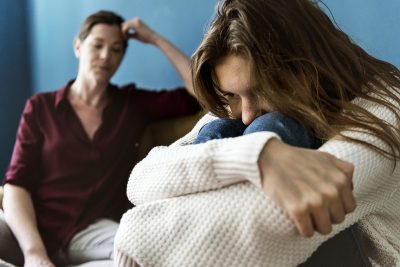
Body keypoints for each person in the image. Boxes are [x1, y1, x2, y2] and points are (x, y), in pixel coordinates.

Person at [113, 0, 400, 266]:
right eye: (232, 95)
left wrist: (132, 230)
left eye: (262, 90)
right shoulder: (236, 108)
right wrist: (257, 155)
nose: (247, 113)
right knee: (222, 128)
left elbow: (262, 226)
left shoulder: (386, 108)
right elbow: (141, 179)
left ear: (309, 67)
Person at [0, 10, 200, 267]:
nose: (106, 56)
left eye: (116, 49)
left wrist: (153, 38)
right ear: (78, 47)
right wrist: (34, 253)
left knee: (143, 256)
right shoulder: (41, 107)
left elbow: (199, 93)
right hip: (30, 228)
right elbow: (17, 184)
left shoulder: (132, 105)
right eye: (98, 45)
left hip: (92, 232)